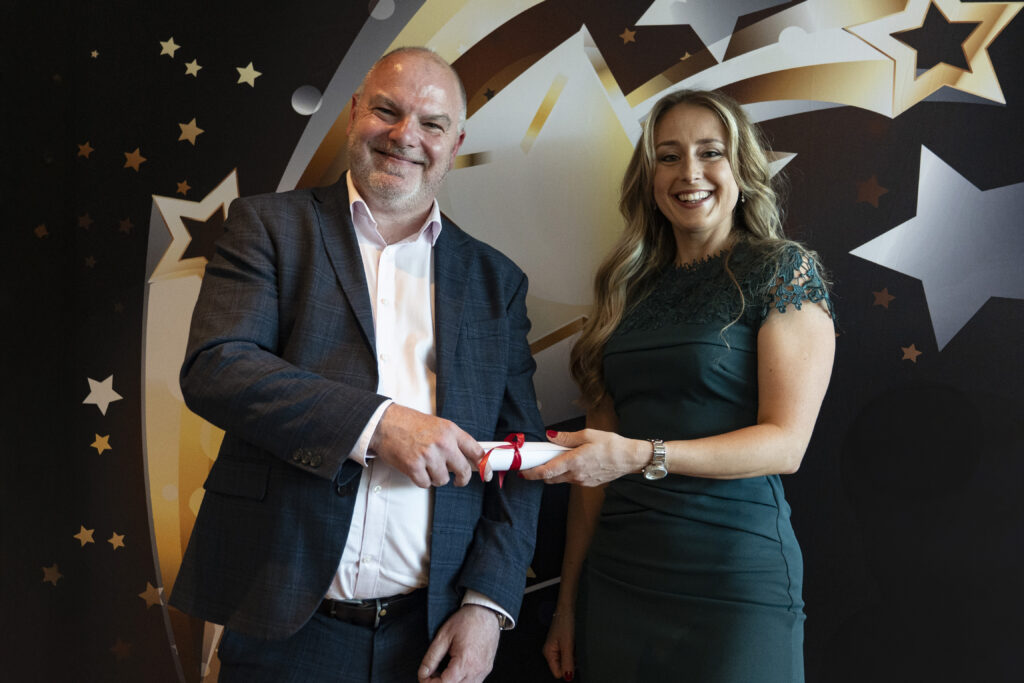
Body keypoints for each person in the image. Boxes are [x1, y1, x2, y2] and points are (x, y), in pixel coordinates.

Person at [170, 47, 545, 683]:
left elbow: (521, 453)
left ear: (455, 142)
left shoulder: (495, 281)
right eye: (386, 111)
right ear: (352, 115)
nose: (405, 137)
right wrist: (378, 425)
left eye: (431, 124)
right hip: (283, 624)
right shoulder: (268, 225)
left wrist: (488, 607)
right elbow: (217, 366)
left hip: (430, 636)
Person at [522, 89, 836, 682]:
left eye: (709, 152)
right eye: (668, 156)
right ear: (649, 177)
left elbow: (786, 445)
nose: (688, 173)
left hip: (731, 579)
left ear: (741, 170)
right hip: (618, 577)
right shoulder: (625, 288)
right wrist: (566, 605)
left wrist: (641, 456)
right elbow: (595, 464)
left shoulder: (782, 269)